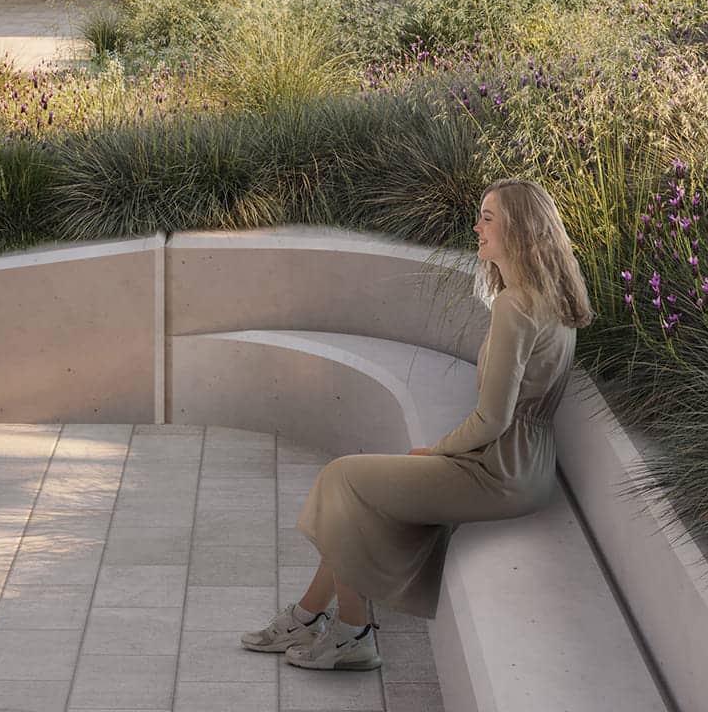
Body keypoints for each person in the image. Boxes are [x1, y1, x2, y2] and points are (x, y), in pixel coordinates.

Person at [242, 179, 592, 674]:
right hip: (528, 468)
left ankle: (351, 632)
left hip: (498, 472)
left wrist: (436, 452)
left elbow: (493, 419)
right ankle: (308, 614)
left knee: (343, 479)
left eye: (488, 217)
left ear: (519, 228)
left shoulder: (516, 307)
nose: (477, 227)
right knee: (356, 496)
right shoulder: (548, 298)